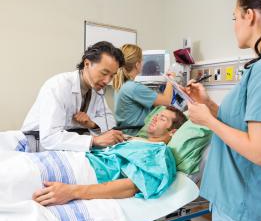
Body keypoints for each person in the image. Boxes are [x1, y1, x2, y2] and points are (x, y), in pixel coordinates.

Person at [182, 0, 261, 221]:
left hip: (246, 211)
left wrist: (207, 120)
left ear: (249, 15)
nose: (234, 25)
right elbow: (243, 124)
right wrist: (209, 105)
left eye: (234, 17)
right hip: (242, 204)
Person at [31, 106, 187, 206]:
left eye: (163, 118)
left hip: (84, 171)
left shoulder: (160, 153)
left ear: (173, 132)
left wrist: (73, 191)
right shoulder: (134, 139)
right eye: (157, 114)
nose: (155, 117)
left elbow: (131, 186)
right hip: (68, 158)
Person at [21, 41, 125, 152]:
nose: (107, 81)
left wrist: (92, 124)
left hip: (69, 147)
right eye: (104, 73)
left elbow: (109, 122)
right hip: (38, 145)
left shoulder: (96, 89)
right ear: (87, 64)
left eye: (112, 76)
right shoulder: (58, 86)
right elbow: (49, 138)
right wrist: (94, 140)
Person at [113, 44, 175, 135]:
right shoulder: (133, 87)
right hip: (136, 134)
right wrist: (171, 80)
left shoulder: (122, 85)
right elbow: (166, 100)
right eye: (142, 60)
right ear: (137, 65)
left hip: (126, 133)